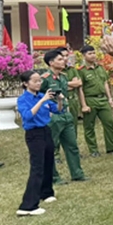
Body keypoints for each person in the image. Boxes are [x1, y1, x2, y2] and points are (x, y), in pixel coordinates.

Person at [40, 48, 89, 184]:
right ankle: (53, 177)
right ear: (51, 62)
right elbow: (37, 95)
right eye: (60, 59)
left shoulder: (63, 77)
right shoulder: (45, 79)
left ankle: (77, 174)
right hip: (52, 116)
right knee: (51, 147)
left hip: (66, 114)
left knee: (72, 145)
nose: (64, 61)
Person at [16, 71, 59, 216]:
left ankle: (46, 192)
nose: (38, 83)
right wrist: (42, 101)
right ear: (25, 83)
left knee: (48, 162)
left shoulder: (42, 96)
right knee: (37, 167)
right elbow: (28, 116)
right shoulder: (23, 99)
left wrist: (60, 100)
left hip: (46, 131)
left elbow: (58, 111)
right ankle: (28, 206)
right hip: (34, 134)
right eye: (35, 81)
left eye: (39, 80)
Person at [77, 45, 113, 157]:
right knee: (89, 126)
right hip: (90, 99)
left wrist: (109, 98)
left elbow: (105, 83)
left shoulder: (100, 68)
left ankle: (111, 147)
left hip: (103, 99)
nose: (93, 55)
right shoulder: (81, 71)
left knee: (109, 122)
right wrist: (84, 104)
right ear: (84, 55)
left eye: (93, 53)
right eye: (89, 53)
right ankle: (93, 150)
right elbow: (80, 88)